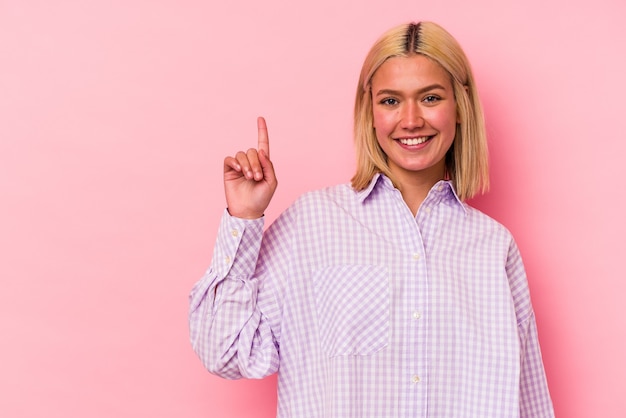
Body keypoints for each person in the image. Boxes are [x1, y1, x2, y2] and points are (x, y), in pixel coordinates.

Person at [189, 21, 554, 417]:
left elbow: (529, 401)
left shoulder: (494, 247)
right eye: (391, 101)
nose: (411, 120)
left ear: (460, 106)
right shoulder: (312, 225)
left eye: (430, 98)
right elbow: (221, 350)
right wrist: (244, 218)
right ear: (371, 111)